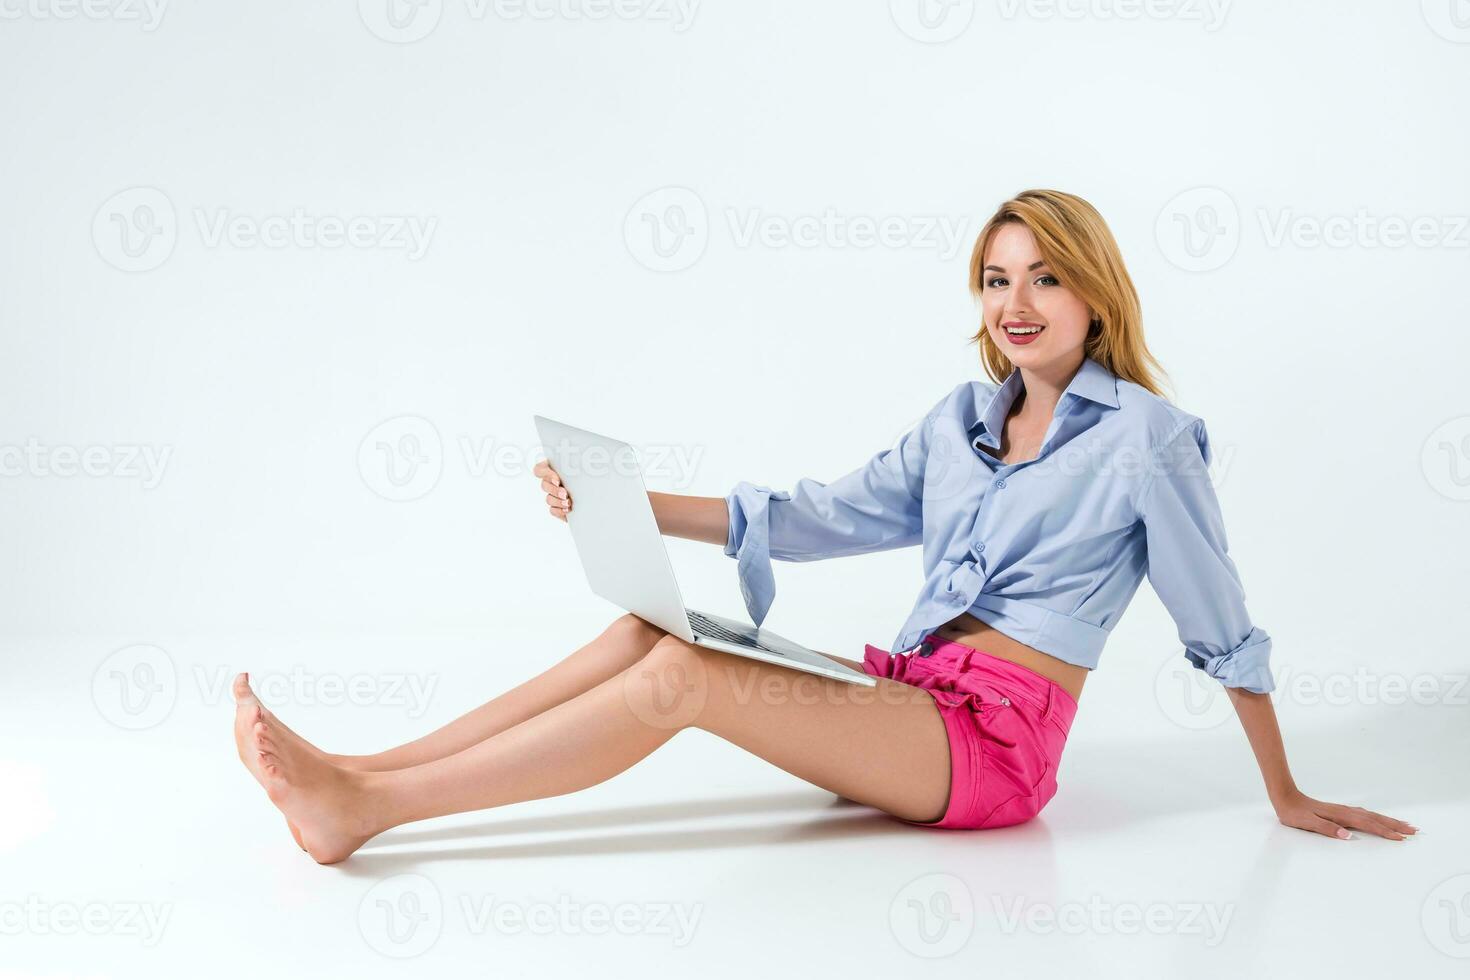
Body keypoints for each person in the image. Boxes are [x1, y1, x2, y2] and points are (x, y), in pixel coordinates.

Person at [231, 188, 1416, 864]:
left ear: (1095, 292)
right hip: (914, 697)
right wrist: (628, 505)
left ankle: (372, 810)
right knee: (656, 628)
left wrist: (1287, 789)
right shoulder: (961, 422)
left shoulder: (1148, 437)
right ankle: (361, 767)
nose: (1015, 303)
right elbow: (814, 516)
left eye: (1045, 278)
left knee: (685, 677)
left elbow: (1221, 618)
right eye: (997, 279)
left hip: (996, 747)